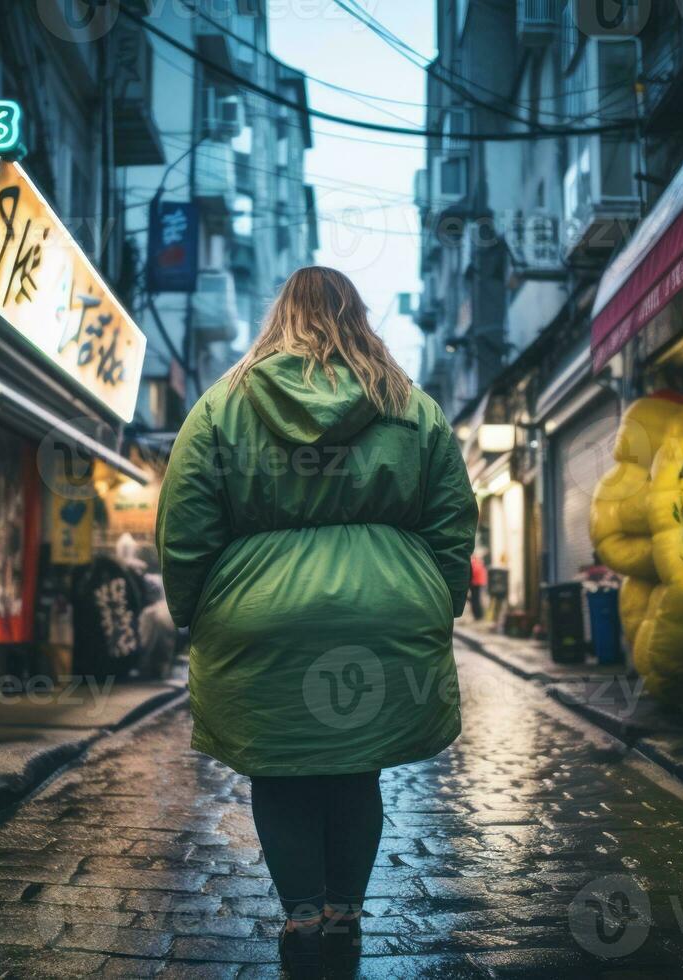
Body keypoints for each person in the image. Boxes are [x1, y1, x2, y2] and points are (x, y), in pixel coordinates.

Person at [156, 266, 477, 975]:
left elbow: (184, 526)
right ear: (357, 315)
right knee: (356, 770)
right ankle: (345, 914)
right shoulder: (410, 406)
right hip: (386, 610)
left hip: (259, 615)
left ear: (280, 315)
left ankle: (301, 913)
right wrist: (437, 599)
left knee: (279, 770)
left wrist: (194, 611)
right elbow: (452, 519)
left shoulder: (222, 405)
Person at [469, 551, 487, 620]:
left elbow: (473, 573)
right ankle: (479, 615)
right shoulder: (479, 563)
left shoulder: (474, 563)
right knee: (477, 600)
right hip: (479, 583)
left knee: (475, 600)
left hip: (475, 583)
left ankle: (478, 615)